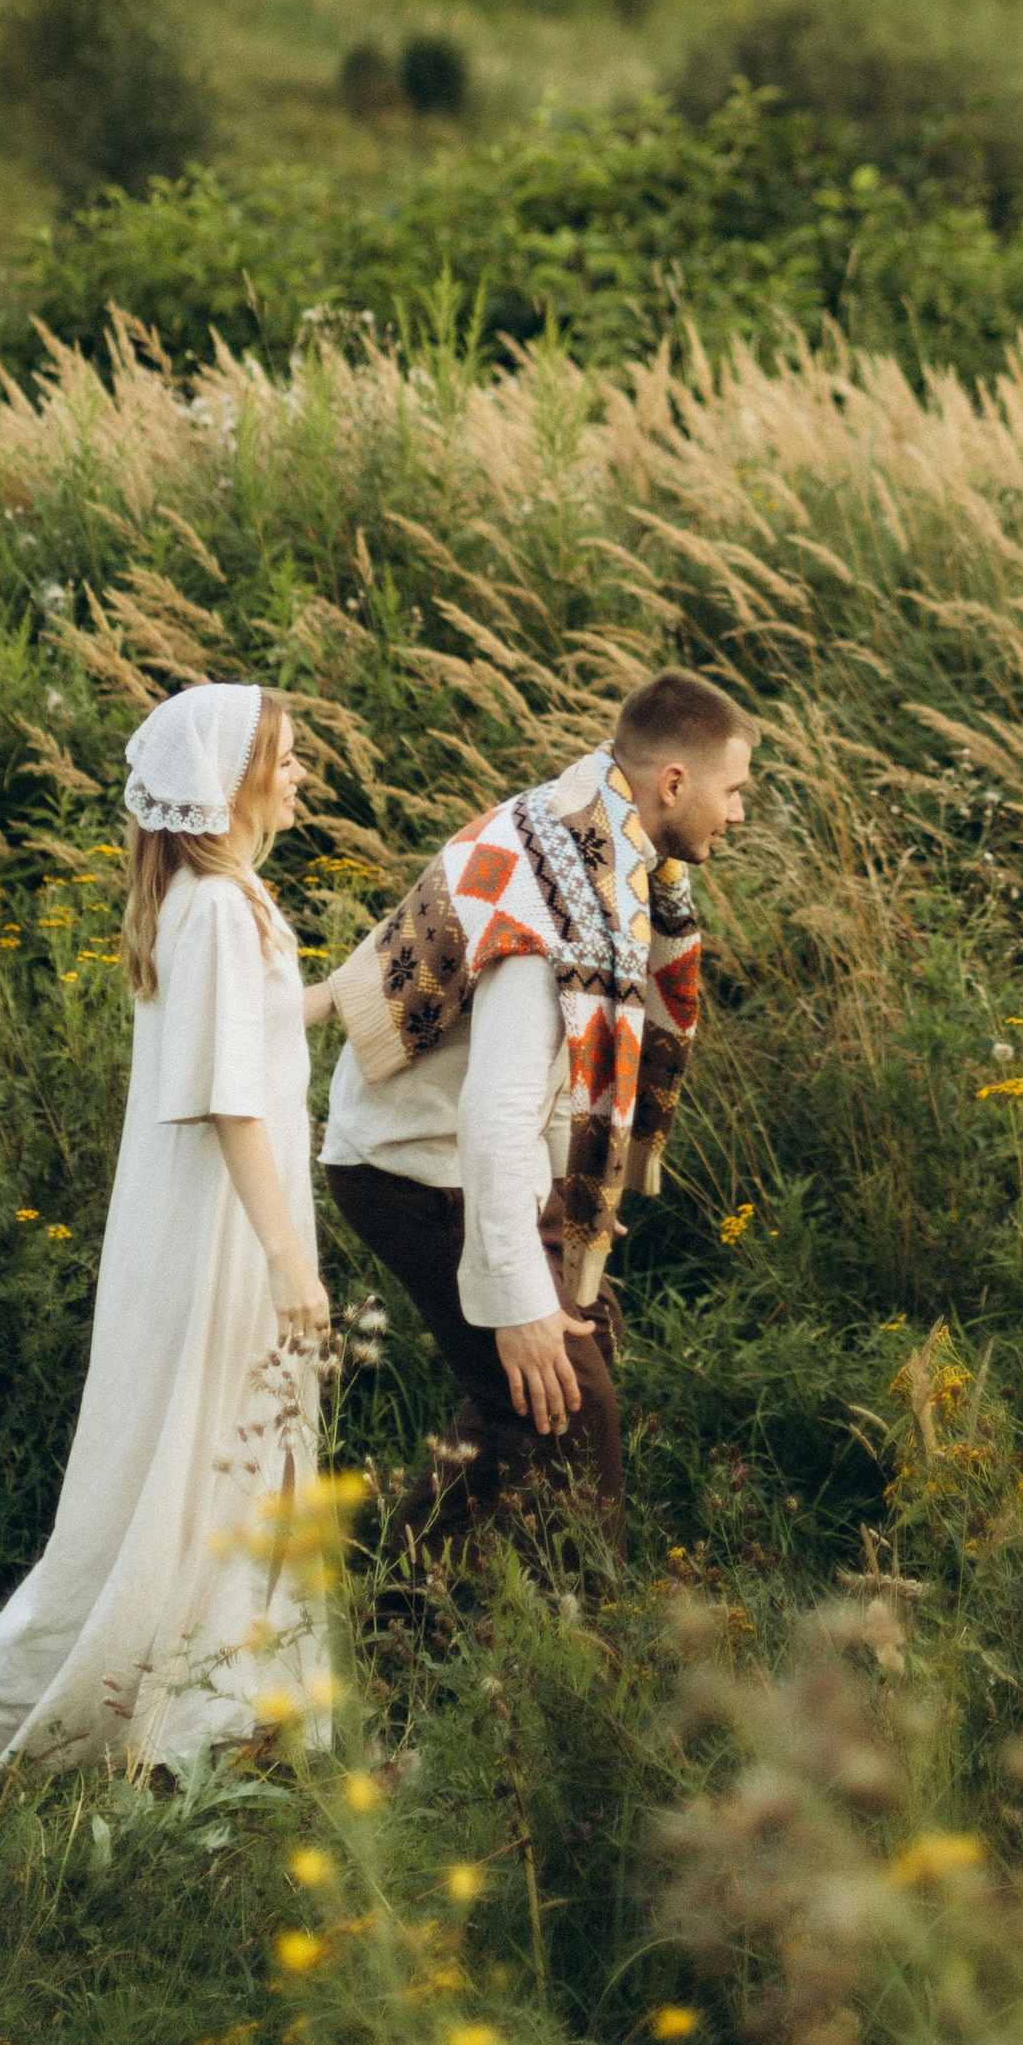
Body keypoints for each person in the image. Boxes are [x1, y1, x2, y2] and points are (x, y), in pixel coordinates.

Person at [0, 683, 336, 1790]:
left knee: (203, 1475)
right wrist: (290, 1261)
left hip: (200, 1232)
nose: (299, 778)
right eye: (284, 760)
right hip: (225, 1244)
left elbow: (263, 1025)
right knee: (176, 1481)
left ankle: (214, 1735)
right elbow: (233, 1099)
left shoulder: (212, 906)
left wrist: (366, 980)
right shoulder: (221, 912)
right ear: (229, 782)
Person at [319, 670, 747, 1577]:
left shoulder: (599, 842)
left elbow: (555, 1067)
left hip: (452, 1149)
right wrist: (517, 1303)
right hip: (410, 1164)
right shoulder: (560, 897)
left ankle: (402, 1615)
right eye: (734, 790)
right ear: (674, 783)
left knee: (556, 1371)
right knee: (566, 1401)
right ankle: (600, 1659)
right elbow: (497, 1106)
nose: (738, 814)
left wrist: (568, 1186)